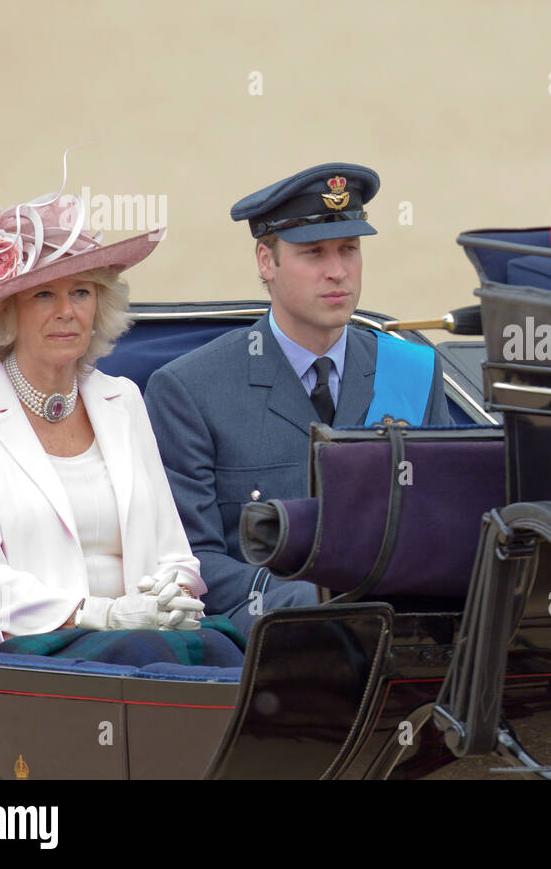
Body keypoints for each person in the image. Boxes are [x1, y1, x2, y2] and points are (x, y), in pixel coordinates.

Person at [145, 163, 451, 634]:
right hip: (272, 647)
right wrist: (311, 600)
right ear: (267, 262)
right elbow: (189, 560)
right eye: (313, 253)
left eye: (349, 249)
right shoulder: (191, 389)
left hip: (403, 639)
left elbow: (441, 521)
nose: (337, 272)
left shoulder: (414, 369)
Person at [0, 174, 208, 652]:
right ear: (7, 313)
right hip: (32, 648)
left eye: (82, 292)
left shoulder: (124, 399)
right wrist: (104, 615)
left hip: (146, 637)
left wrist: (170, 597)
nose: (67, 311)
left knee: (228, 653)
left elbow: (174, 551)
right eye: (44, 295)